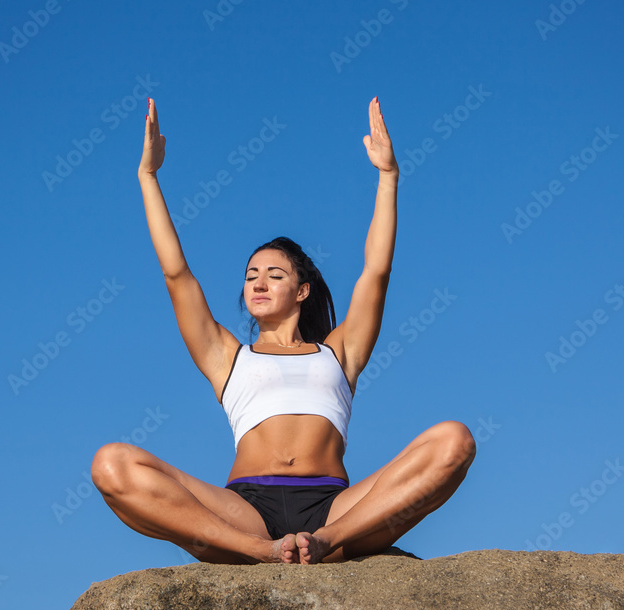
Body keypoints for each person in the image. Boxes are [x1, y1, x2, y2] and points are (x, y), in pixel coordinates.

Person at [91, 96, 477, 565]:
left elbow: (376, 271)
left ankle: (326, 543)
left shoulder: (339, 351)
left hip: (337, 508)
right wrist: (148, 177)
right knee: (111, 464)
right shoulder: (226, 356)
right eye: (252, 274)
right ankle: (261, 552)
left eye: (275, 275)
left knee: (454, 441)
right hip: (244, 510)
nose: (259, 282)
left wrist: (388, 177)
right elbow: (177, 274)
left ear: (302, 291)